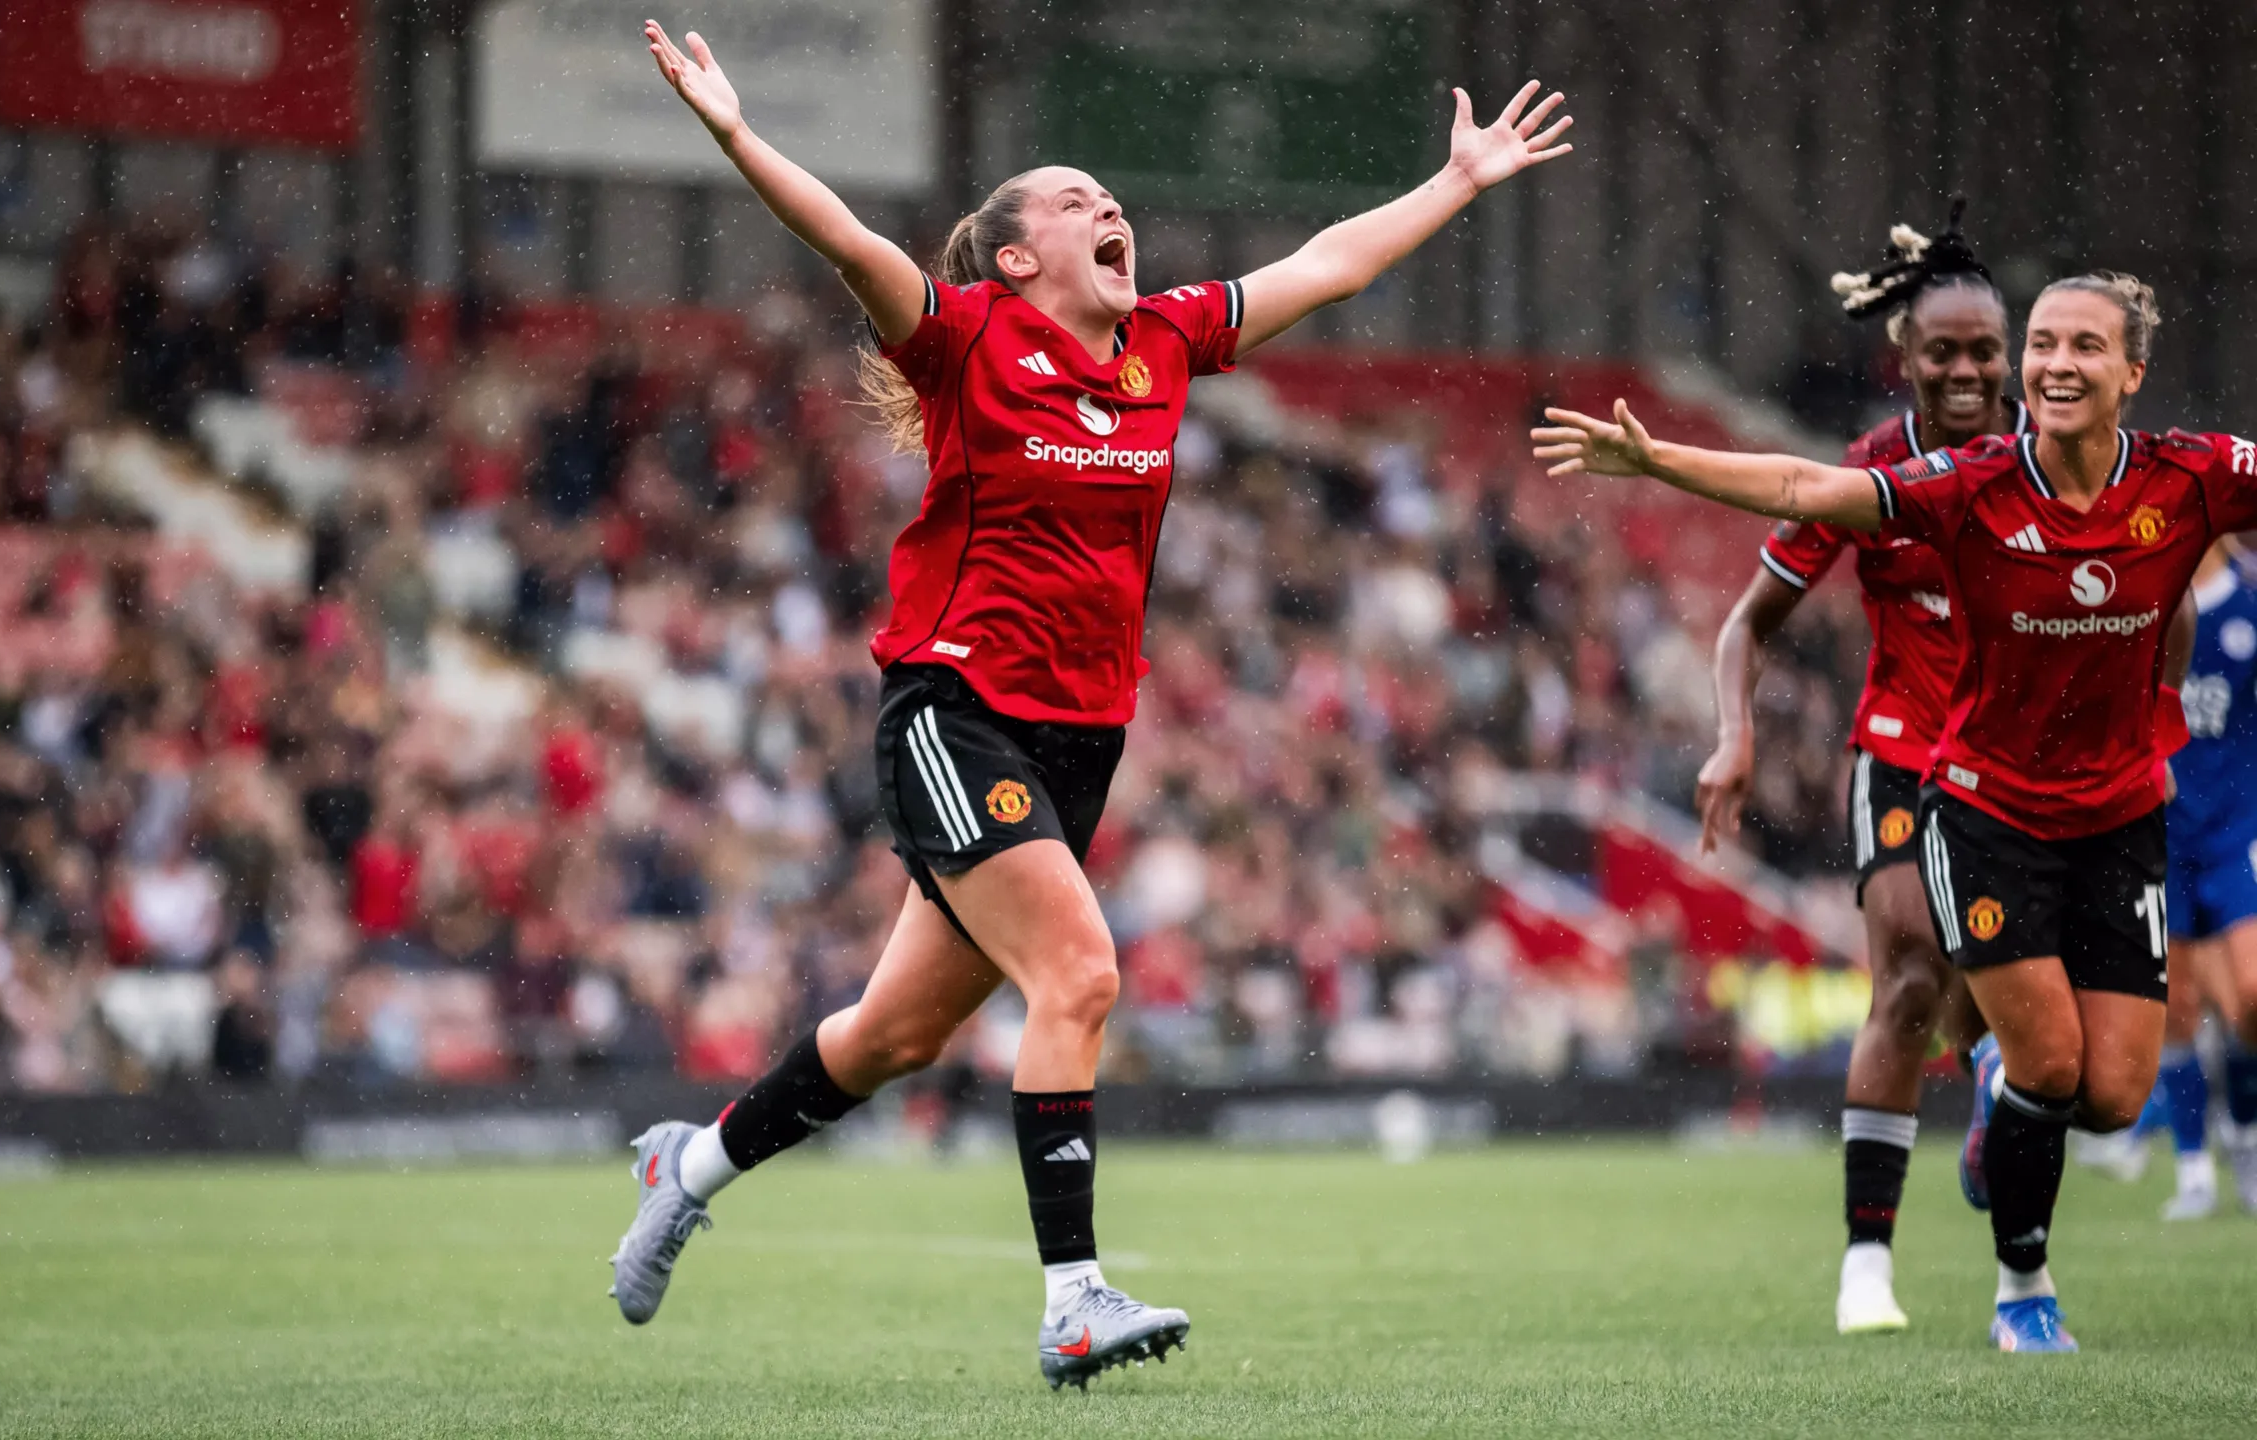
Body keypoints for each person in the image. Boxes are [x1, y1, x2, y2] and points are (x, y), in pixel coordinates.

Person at [615, 19, 1573, 1389]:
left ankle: (688, 1165)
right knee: (1082, 974)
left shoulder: (1166, 345)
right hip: (955, 715)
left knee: (893, 1038)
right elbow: (849, 246)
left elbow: (1326, 264)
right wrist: (735, 133)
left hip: (1081, 741)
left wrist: (1459, 183)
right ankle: (1073, 1301)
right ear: (1016, 259)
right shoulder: (967, 339)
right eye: (1074, 203)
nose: (1107, 209)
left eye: (1108, 199)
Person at [1533, 273, 2251, 1354]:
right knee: (1966, 1010)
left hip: (2117, 816)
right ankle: (2014, 1287)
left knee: (2107, 1096)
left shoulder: (2191, 478)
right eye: (2045, 342)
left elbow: (2177, 600)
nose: (2053, 363)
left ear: (2131, 373)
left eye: (2079, 347)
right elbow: (1794, 484)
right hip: (1978, 805)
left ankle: (2006, 1087)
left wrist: (2156, 702)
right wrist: (1657, 461)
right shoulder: (1960, 482)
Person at [1694, 207, 2027, 1336]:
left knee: (2022, 1032)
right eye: (1944, 350)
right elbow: (1748, 623)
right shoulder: (1871, 469)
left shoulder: (2053, 463)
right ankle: (1865, 1270)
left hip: (2022, 774)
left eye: (1986, 348)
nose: (1967, 368)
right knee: (1910, 978)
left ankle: (2018, 1248)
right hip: (1898, 752)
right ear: (1906, 358)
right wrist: (1732, 734)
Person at [2084, 538, 2257, 1216]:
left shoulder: (2248, 602)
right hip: (2161, 831)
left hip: (2237, 833)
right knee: (2177, 1007)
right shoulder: (2141, 604)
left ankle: (2241, 1131)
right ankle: (2193, 1169)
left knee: (2249, 996)